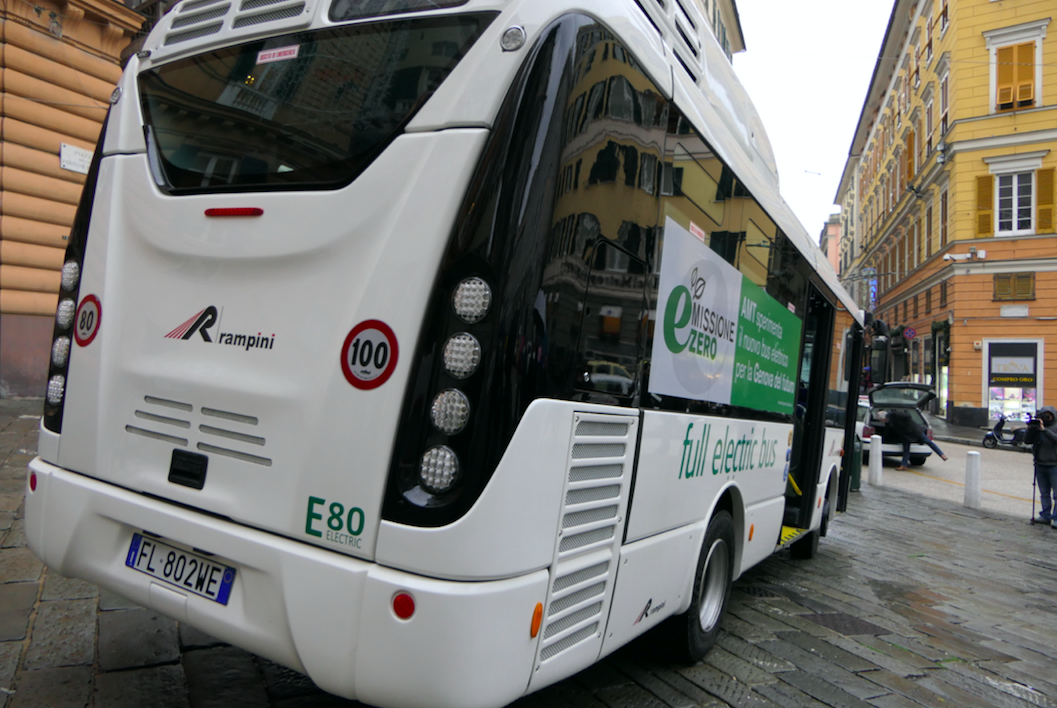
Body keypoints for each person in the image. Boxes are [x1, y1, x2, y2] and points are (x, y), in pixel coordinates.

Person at [1026, 406, 1057, 527]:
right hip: (1040, 464)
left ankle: (1056, 518)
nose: (1046, 418)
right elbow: (1027, 441)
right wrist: (1030, 429)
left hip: (1055, 465)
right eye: (1043, 415)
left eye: (1048, 415)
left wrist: (1044, 430)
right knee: (1044, 493)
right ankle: (1045, 515)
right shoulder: (1036, 428)